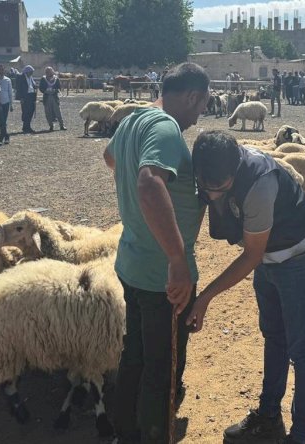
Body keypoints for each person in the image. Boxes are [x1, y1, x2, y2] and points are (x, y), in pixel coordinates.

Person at [188, 131, 305, 444]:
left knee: (301, 348)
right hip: (270, 260)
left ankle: (302, 434)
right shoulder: (212, 171)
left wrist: (205, 297)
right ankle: (268, 418)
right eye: (205, 188)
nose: (211, 196)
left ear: (234, 170)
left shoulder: (260, 183)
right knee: (274, 337)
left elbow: (250, 255)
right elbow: (204, 209)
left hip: (299, 260)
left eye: (220, 189)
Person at [103, 62, 210, 444]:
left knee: (135, 353)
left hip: (132, 263)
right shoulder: (166, 128)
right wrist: (178, 260)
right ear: (193, 96)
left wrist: (130, 199)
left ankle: (125, 431)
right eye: (201, 106)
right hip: (161, 276)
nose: (199, 115)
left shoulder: (135, 119)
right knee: (162, 368)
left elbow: (110, 157)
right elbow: (150, 183)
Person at [39, 67, 66, 131]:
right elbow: (41, 88)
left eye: (50, 71)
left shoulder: (56, 79)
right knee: (48, 112)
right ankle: (51, 125)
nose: (49, 72)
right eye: (47, 71)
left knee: (57, 111)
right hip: (47, 97)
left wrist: (55, 90)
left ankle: (61, 125)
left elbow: (59, 87)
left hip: (54, 97)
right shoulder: (43, 79)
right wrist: (45, 91)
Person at [15, 65, 37, 133]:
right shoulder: (21, 77)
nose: (32, 73)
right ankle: (26, 127)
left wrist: (35, 86)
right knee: (25, 112)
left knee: (31, 111)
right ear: (27, 72)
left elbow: (32, 85)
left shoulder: (31, 78)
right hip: (25, 97)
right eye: (31, 72)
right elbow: (18, 88)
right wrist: (21, 98)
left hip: (31, 96)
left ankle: (27, 126)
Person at [0, 64, 13, 144]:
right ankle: (5, 135)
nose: (0, 71)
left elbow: (10, 92)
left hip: (6, 102)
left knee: (3, 120)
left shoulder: (8, 80)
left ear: (4, 70)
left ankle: (3, 136)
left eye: (1, 69)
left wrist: (11, 104)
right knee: (1, 120)